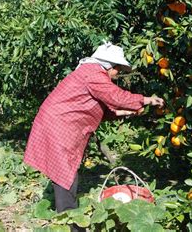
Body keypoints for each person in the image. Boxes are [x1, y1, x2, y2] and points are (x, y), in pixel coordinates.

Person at [24, 42, 164, 215]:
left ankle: (68, 214)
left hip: (59, 122)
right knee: (64, 171)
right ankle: (69, 218)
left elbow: (103, 108)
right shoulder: (93, 73)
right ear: (110, 65)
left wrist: (128, 110)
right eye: (118, 69)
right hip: (59, 123)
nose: (118, 74)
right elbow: (115, 96)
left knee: (64, 168)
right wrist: (146, 99)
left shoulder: (92, 73)